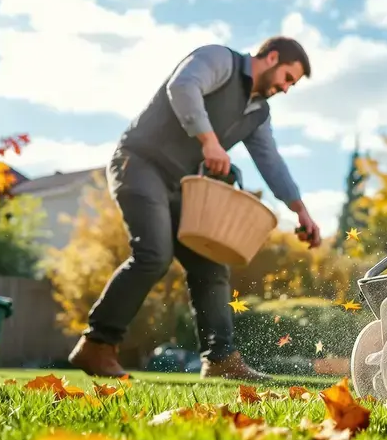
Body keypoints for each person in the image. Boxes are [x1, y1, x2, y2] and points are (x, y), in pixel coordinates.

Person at [68, 36, 323, 381]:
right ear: (272, 57)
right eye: (288, 77)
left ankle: (219, 360)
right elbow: (183, 86)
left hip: (180, 185)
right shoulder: (220, 60)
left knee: (210, 265)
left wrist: (301, 211)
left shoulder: (259, 111)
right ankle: (97, 344)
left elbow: (271, 162)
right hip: (139, 163)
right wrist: (209, 141)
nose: (287, 88)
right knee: (153, 254)